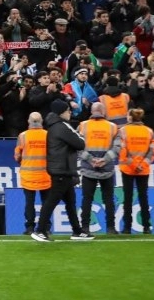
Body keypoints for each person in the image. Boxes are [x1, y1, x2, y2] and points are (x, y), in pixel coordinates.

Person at [32, 100, 94, 242]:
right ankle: (40, 230)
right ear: (61, 112)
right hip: (63, 169)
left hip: (61, 169)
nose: (70, 112)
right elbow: (80, 143)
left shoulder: (54, 126)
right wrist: (81, 135)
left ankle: (77, 231)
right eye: (67, 110)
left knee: (70, 202)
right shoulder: (62, 126)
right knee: (52, 201)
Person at [115, 108, 154, 234]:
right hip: (143, 170)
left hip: (127, 169)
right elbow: (153, 151)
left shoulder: (123, 131)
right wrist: (142, 165)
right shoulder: (149, 131)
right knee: (143, 197)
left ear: (130, 117)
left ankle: (127, 227)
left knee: (127, 197)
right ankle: (146, 226)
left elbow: (122, 151)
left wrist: (134, 165)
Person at [78, 103, 119, 235]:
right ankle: (111, 228)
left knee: (87, 199)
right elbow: (117, 148)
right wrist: (104, 160)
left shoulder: (83, 125)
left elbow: (77, 147)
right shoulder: (113, 127)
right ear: (104, 111)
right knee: (108, 199)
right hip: (107, 169)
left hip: (88, 168)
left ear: (91, 111)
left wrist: (91, 160)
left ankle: (85, 227)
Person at [14, 113, 51, 235]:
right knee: (46, 203)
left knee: (29, 203)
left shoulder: (23, 136)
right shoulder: (48, 135)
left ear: (28, 121)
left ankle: (30, 228)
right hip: (45, 175)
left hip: (28, 175)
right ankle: (46, 227)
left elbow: (17, 156)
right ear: (42, 121)